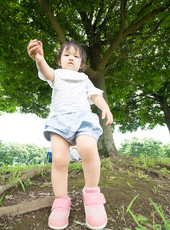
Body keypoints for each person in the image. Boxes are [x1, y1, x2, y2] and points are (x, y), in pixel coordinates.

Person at [27, 39, 113, 230]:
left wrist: (105, 108)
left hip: (83, 119)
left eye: (76, 56)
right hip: (59, 121)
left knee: (88, 148)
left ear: (82, 63)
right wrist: (39, 59)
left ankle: (91, 193)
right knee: (59, 159)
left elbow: (95, 96)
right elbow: (46, 72)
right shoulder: (56, 75)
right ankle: (61, 200)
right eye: (67, 55)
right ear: (59, 60)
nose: (71, 58)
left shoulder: (84, 79)